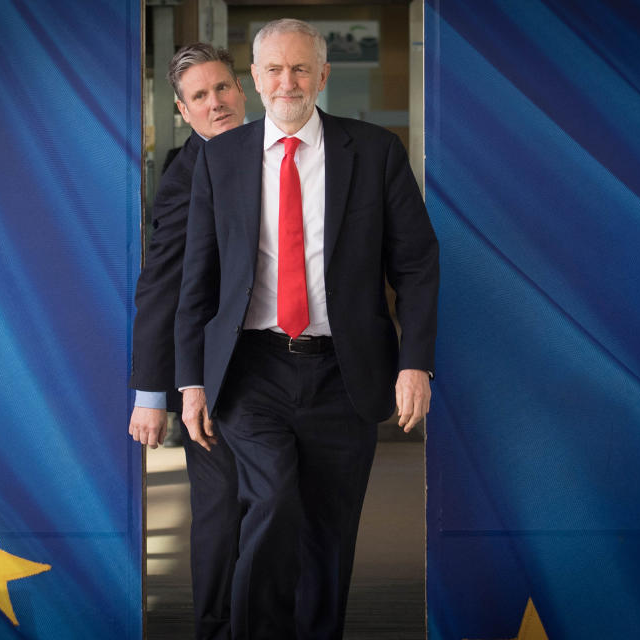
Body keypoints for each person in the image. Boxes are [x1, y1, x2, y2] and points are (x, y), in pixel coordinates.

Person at [175, 19, 439, 640]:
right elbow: (198, 282)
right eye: (273, 69)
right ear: (255, 79)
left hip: (345, 371)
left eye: (300, 68)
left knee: (330, 530)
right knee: (270, 504)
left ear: (323, 76)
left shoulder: (374, 151)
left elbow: (419, 264)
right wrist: (189, 383)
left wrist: (415, 362)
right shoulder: (221, 160)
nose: (286, 81)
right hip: (251, 370)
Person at [128, 43, 247, 640]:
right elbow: (161, 285)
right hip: (214, 377)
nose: (215, 103)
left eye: (222, 88)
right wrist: (152, 392)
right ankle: (216, 630)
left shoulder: (275, 152)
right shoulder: (185, 174)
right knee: (221, 513)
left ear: (241, 89)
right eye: (199, 96)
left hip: (286, 365)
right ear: (181, 109)